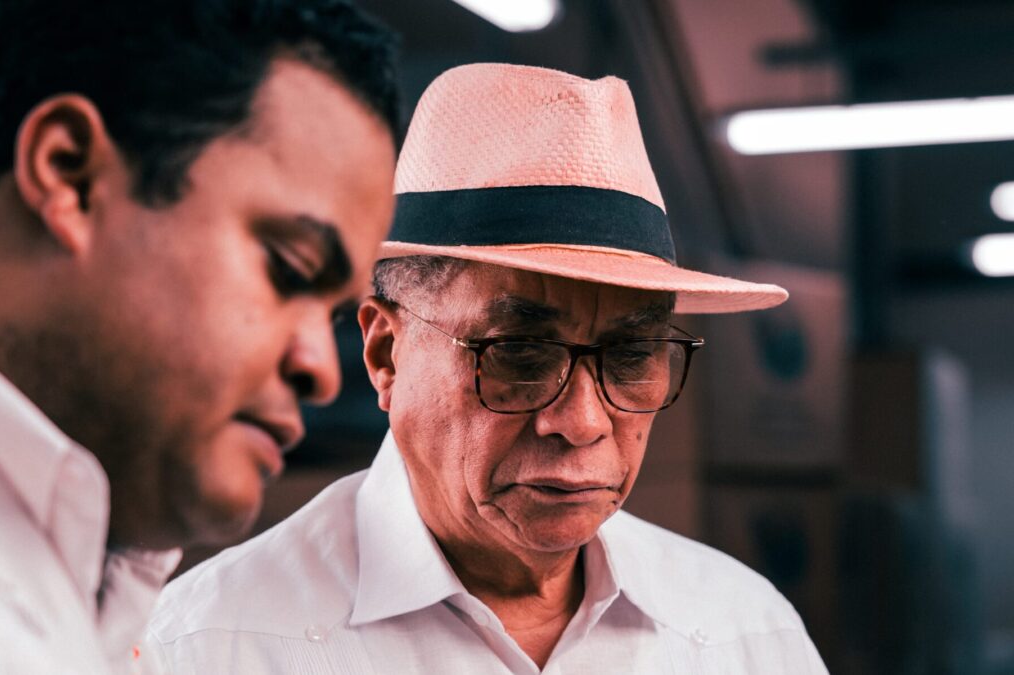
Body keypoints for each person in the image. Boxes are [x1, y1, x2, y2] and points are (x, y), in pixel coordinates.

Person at [146, 63, 828, 674]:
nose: (583, 422)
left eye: (629, 355)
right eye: (519, 354)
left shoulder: (745, 635)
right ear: (387, 353)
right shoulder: (210, 647)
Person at [0, 0, 399, 672]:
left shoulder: (108, 611)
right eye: (287, 267)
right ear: (71, 175)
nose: (324, 370)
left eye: (332, 315)